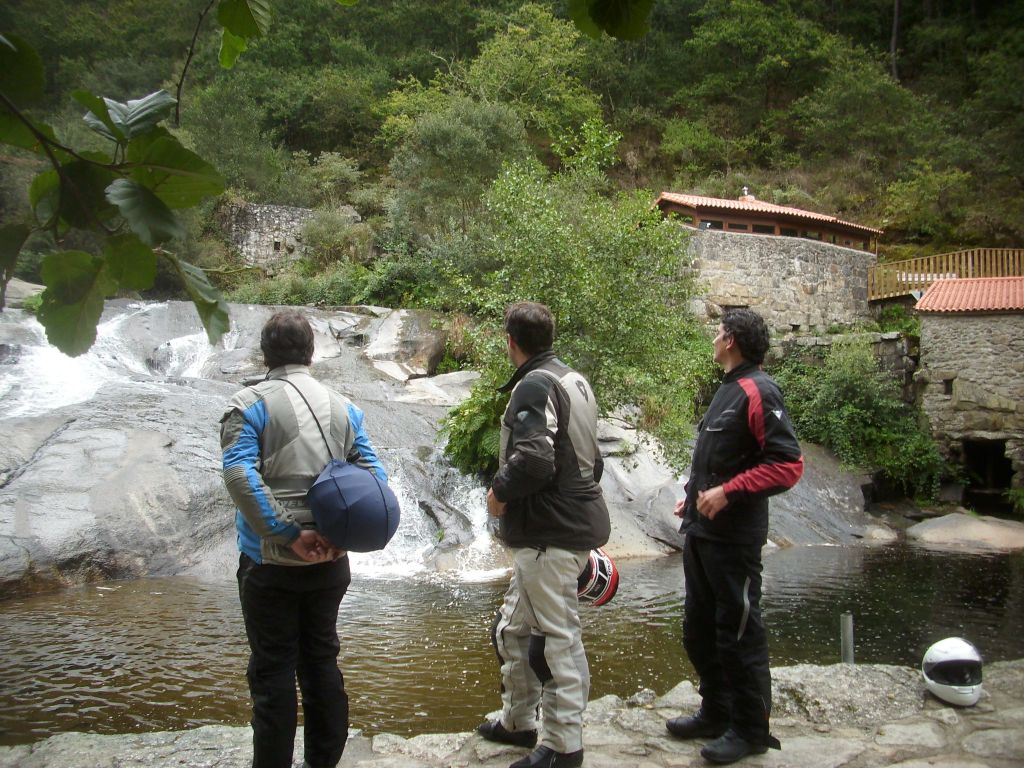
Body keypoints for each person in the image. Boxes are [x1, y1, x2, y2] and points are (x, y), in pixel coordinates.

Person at [220, 309, 387, 768]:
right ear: (311, 352)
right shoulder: (345, 406)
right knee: (321, 663)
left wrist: (287, 533)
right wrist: (341, 535)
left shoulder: (248, 404)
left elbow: (238, 473)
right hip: (331, 562)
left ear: (265, 353)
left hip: (270, 563)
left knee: (272, 672)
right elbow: (376, 478)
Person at [666, 308, 803, 765]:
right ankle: (715, 711)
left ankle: (749, 730)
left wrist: (728, 492)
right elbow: (715, 458)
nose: (713, 337)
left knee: (739, 634)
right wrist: (694, 495)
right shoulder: (727, 389)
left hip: (735, 540)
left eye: (718, 332)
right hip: (703, 533)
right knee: (698, 630)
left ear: (731, 342)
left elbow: (788, 465)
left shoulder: (759, 389)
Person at [478, 302, 610, 768]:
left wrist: (498, 493)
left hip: (548, 535)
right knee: (512, 630)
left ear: (509, 341)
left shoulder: (534, 384)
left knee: (555, 642)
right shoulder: (574, 380)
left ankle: (562, 747)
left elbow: (535, 459)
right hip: (561, 528)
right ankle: (518, 723)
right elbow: (592, 461)